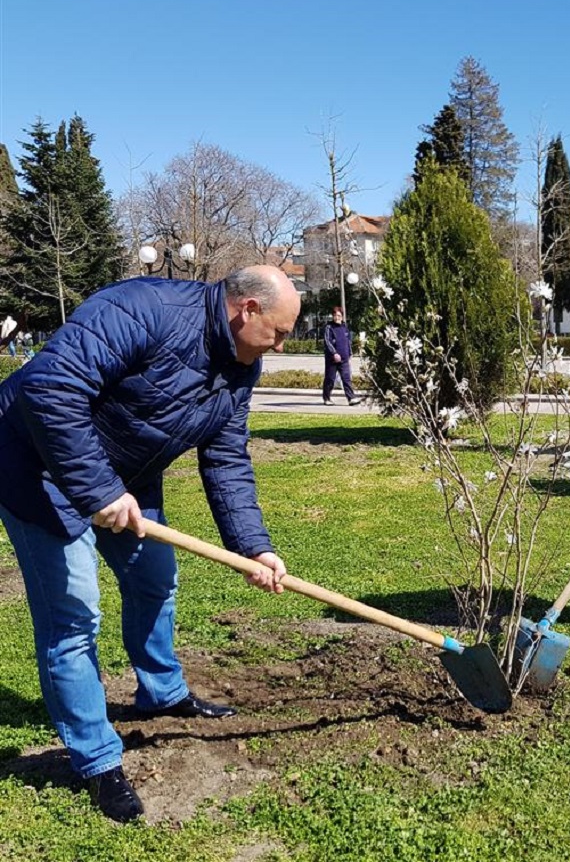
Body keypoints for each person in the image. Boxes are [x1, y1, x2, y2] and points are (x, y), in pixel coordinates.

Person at [0, 265, 300, 823]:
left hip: (124, 475)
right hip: (34, 465)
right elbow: (51, 387)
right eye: (279, 333)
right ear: (248, 310)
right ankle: (95, 758)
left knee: (154, 577)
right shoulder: (145, 308)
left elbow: (226, 457)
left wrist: (253, 548)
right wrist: (97, 490)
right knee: (73, 617)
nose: (280, 345)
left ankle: (161, 691)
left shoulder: (242, 365)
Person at [322, 305, 361, 406]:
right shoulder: (329, 327)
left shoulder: (345, 328)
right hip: (332, 360)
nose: (337, 317)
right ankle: (326, 398)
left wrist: (350, 353)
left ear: (342, 317)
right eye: (335, 315)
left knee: (346, 379)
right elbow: (327, 342)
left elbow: (348, 342)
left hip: (344, 359)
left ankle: (351, 398)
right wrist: (334, 353)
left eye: (339, 315)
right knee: (330, 379)